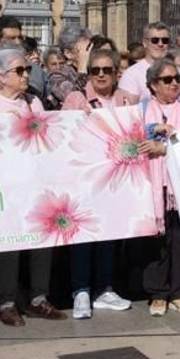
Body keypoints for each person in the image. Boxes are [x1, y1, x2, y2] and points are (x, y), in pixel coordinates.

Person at [0, 44, 65, 325]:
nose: (26, 74)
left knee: (42, 239)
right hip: (6, 185)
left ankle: (39, 297)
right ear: (1, 76)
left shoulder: (33, 101)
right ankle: (6, 302)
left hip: (35, 181)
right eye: (19, 70)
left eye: (27, 69)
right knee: (9, 244)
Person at [57, 47, 137, 319]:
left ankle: (104, 288)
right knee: (83, 234)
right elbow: (63, 135)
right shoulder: (76, 98)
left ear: (117, 73)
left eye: (106, 70)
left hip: (117, 178)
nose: (100, 75)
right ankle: (80, 290)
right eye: (95, 70)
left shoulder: (127, 100)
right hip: (84, 178)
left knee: (109, 234)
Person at [139, 56, 180, 316]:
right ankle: (158, 293)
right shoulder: (143, 107)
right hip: (152, 183)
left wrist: (164, 146)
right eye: (167, 80)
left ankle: (179, 290)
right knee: (156, 239)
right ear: (153, 85)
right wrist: (154, 128)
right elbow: (134, 133)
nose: (174, 83)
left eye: (177, 78)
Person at [118, 22, 179, 99]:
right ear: (145, 43)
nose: (160, 44)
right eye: (155, 40)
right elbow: (128, 105)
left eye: (165, 40)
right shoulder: (132, 74)